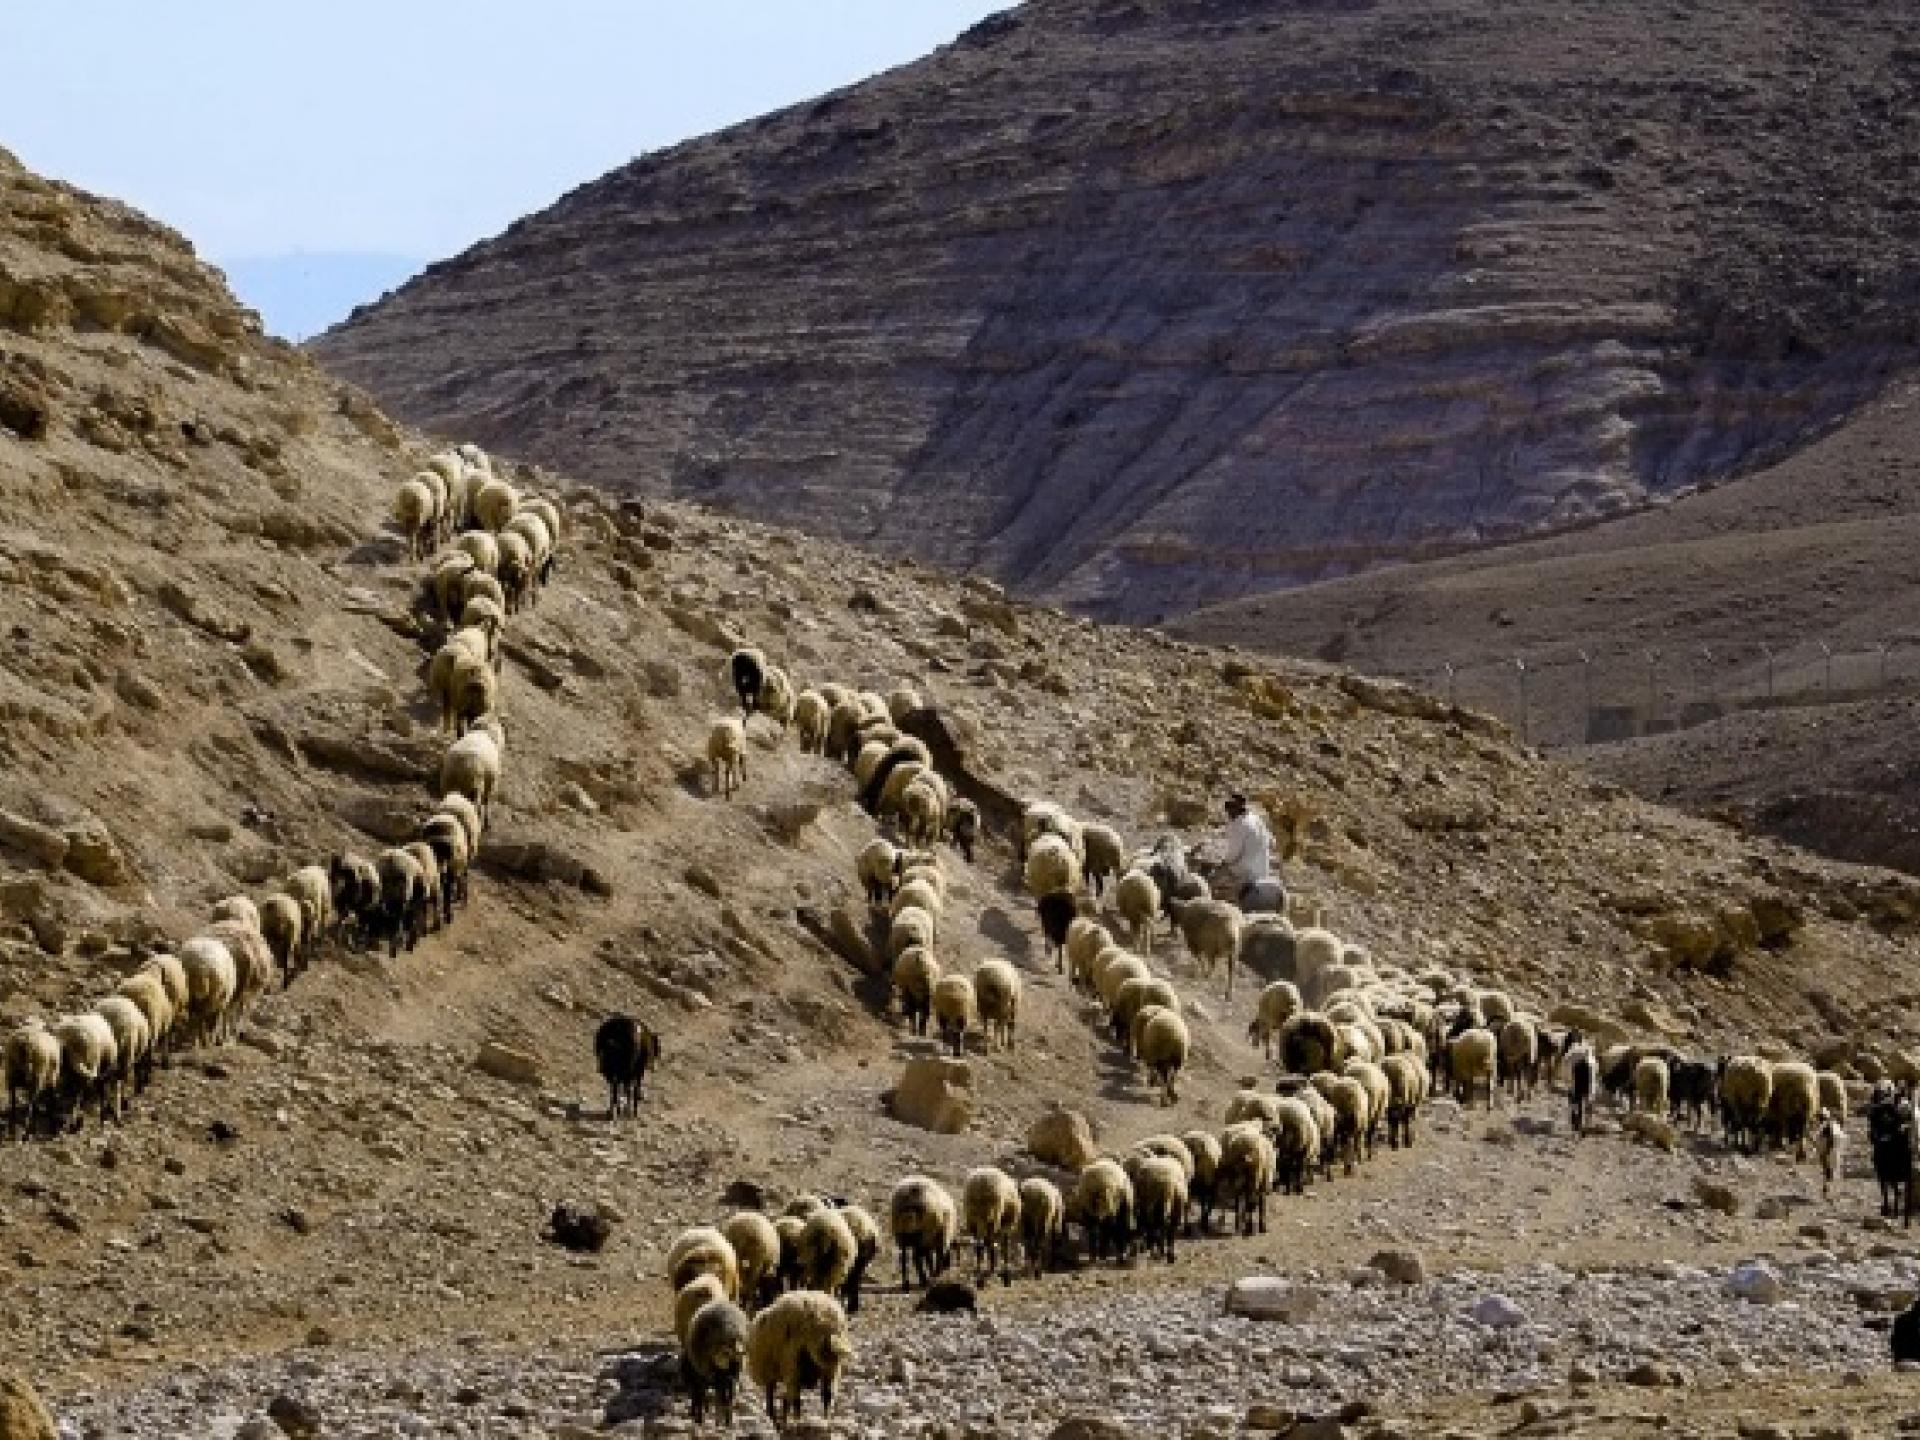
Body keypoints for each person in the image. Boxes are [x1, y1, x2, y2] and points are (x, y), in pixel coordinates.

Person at [1214, 792, 1273, 903]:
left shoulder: (1239, 826)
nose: (1227, 812)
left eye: (1230, 807)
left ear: (1236, 808)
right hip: (1262, 869)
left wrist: (1222, 864)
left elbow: (1233, 854)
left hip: (1245, 872)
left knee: (1215, 880)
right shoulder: (1255, 818)